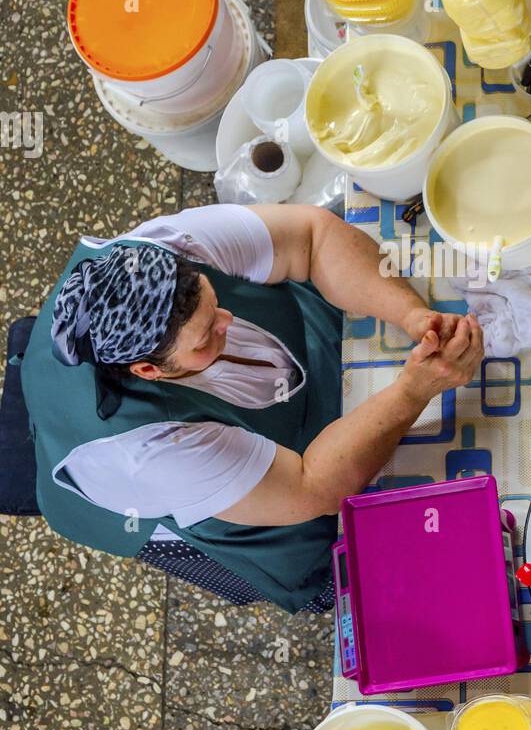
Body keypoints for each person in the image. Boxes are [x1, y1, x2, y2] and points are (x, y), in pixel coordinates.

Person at [22, 203, 483, 613]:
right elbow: (312, 485)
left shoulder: (164, 246)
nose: (229, 321)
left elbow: (311, 237)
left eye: (215, 303)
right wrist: (412, 392)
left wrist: (410, 315)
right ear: (148, 371)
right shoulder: (151, 452)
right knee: (324, 560)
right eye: (206, 338)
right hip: (166, 475)